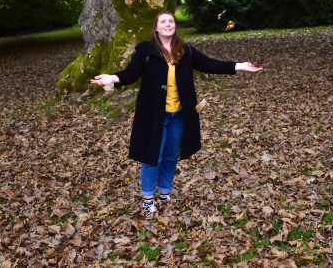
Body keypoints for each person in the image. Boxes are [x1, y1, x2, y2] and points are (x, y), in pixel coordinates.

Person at [90, 11, 262, 218]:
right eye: (163, 21)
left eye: (171, 21)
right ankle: (148, 199)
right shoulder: (146, 50)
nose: (168, 24)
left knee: (171, 156)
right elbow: (131, 74)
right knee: (152, 156)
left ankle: (164, 193)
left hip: (179, 115)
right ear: (156, 28)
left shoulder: (185, 50)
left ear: (175, 26)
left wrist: (240, 66)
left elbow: (209, 64)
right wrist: (112, 78)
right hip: (154, 115)